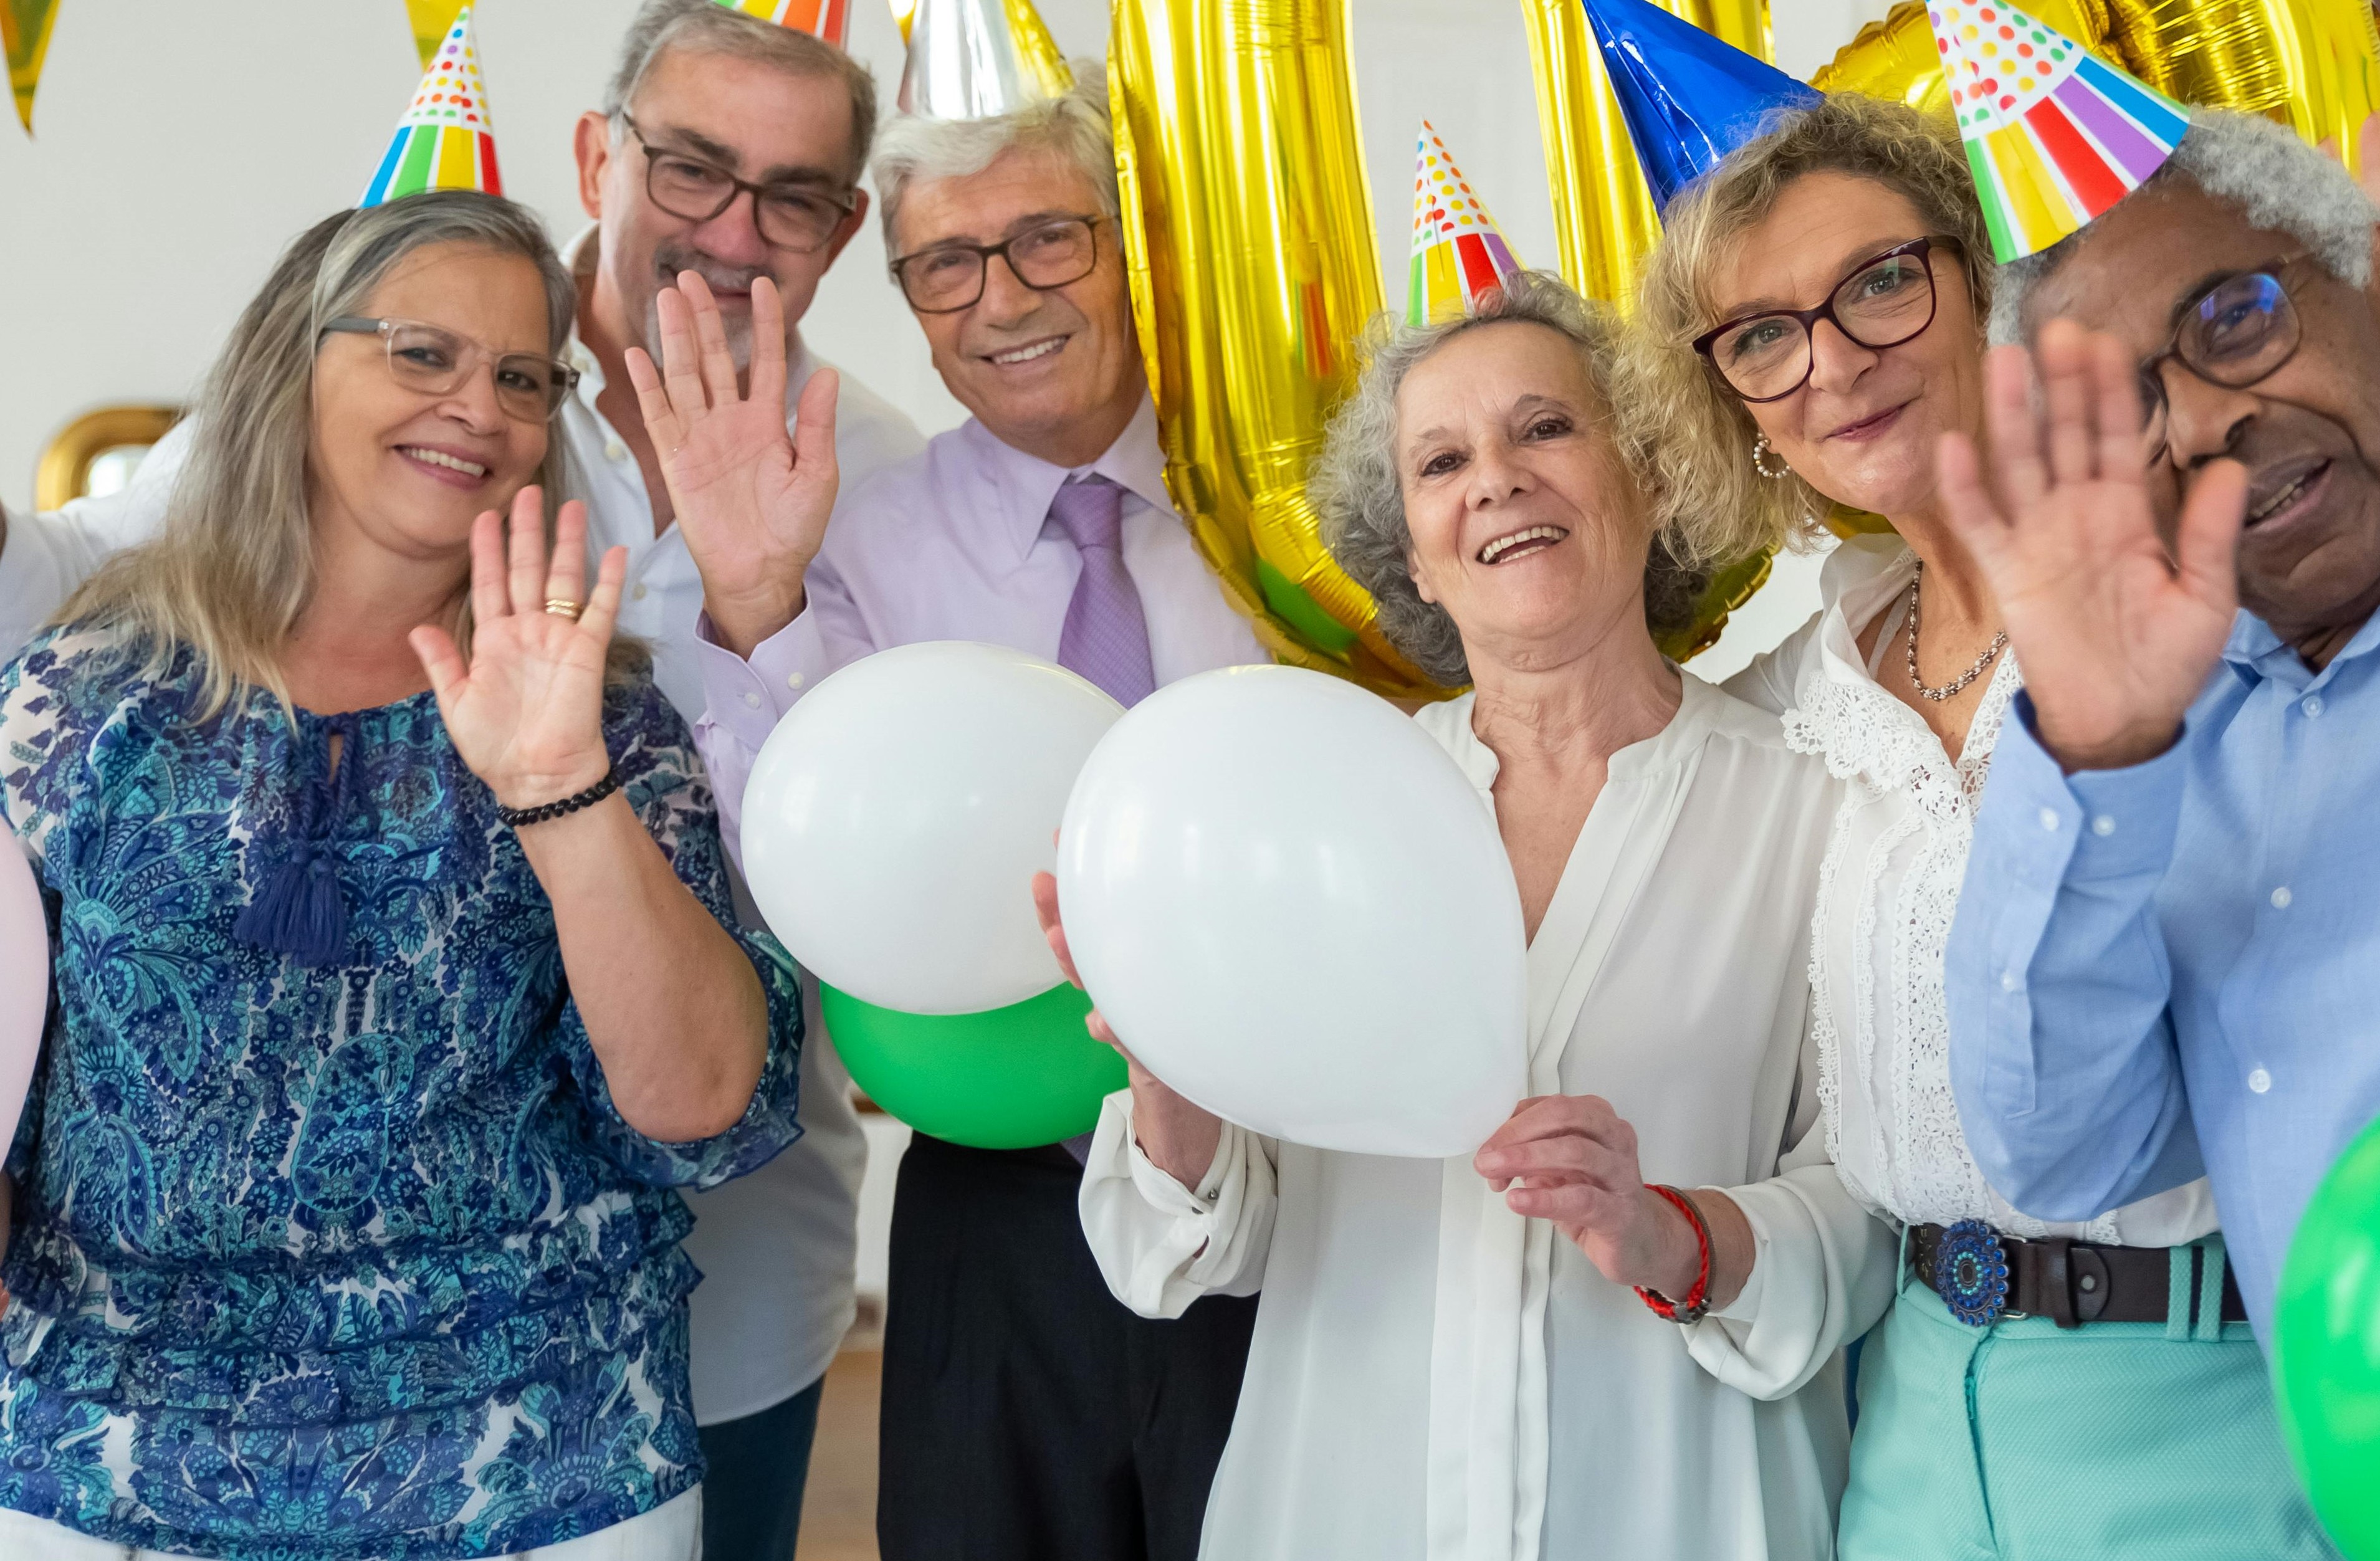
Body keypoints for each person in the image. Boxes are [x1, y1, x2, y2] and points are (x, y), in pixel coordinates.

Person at [0, 6, 921, 1552]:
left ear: (841, 228)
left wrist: (731, 627)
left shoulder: (859, 479)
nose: (733, 229)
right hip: (110, 1433)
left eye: (796, 194)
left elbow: (837, 924)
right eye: (693, 166)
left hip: (561, 1410)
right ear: (603, 160)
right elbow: (99, 575)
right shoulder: (89, 693)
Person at [1028, 271, 1875, 1560]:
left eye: (1544, 428)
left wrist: (1665, 1228)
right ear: (1412, 549)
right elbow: (1193, 1250)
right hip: (1342, 1503)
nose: (1495, 479)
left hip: (1674, 1507)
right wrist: (1168, 1067)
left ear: (1647, 473)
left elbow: (1872, 1212)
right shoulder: (1308, 814)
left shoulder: (1811, 808)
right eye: (1441, 460)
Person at [1632, 92, 2328, 1559]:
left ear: (1987, 279)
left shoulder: (2202, 591)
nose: (1830, 361)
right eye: (1760, 335)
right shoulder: (1784, 697)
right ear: (1738, 410)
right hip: (1908, 1419)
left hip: (2220, 1389)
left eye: (1878, 282)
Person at [651, 62, 1265, 1561]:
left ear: (1138, 246)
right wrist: (751, 597)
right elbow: (791, 867)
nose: (1000, 297)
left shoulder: (1291, 506)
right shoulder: (852, 538)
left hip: (1292, 1186)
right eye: (944, 263)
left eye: (1050, 238)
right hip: (999, 1208)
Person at [1939, 108, 2380, 1352]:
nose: (2196, 426)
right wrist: (2090, 745)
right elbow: (2061, 1147)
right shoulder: (2155, 754)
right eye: (2131, 406)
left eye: (2230, 317)